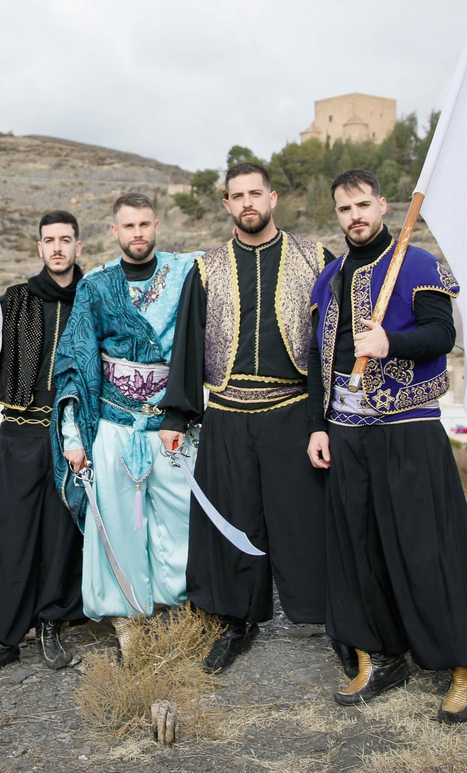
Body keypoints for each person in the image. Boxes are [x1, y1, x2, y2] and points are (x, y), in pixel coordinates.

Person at [305, 168, 467, 723]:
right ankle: (381, 656)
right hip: (345, 431)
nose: (355, 217)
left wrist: (391, 340)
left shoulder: (417, 264)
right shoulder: (330, 278)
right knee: (359, 551)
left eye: (363, 205)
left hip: (406, 427)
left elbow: (443, 334)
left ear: (383, 205)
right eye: (344, 209)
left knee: (427, 548)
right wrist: (319, 424)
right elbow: (319, 363)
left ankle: (463, 664)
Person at [162, 162, 333, 673]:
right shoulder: (206, 268)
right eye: (237, 196)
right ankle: (236, 621)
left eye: (255, 193)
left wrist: (327, 417)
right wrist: (176, 415)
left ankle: (328, 617)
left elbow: (329, 345)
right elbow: (188, 345)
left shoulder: (316, 258)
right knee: (232, 522)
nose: (247, 203)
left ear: (273, 198)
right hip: (229, 415)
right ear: (226, 205)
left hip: (293, 410)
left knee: (303, 520)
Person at [53, 193, 200, 658]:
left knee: (181, 518)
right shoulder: (95, 287)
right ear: (114, 232)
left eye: (144, 225)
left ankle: (177, 608)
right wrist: (73, 438)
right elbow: (75, 362)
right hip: (114, 424)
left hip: (171, 423)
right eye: (128, 227)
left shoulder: (185, 274)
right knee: (115, 523)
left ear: (156, 225)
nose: (137, 233)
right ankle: (128, 620)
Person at [0, 210, 88, 679]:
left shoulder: (94, 300)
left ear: (78, 247)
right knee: (6, 537)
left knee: (61, 538)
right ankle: (2, 638)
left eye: (66, 240)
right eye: (50, 240)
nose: (58, 248)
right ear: (39, 248)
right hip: (17, 436)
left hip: (71, 440)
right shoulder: (14, 301)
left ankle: (52, 624)